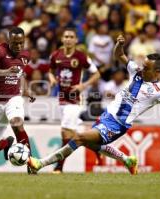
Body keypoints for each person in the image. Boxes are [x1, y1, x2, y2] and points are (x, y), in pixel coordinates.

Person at [28, 35, 160, 175]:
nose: (142, 68)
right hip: (107, 115)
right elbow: (119, 55)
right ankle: (128, 160)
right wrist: (120, 44)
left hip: (118, 124)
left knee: (78, 138)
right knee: (89, 143)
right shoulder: (136, 72)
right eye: (143, 65)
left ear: (157, 71)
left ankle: (40, 164)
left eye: (146, 67)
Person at [0, 27, 36, 174]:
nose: (18, 47)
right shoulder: (0, 50)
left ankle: (31, 163)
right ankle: (7, 143)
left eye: (21, 43)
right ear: (8, 41)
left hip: (13, 98)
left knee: (17, 124)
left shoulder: (25, 55)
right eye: (15, 43)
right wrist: (4, 71)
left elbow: (20, 74)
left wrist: (26, 90)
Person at [48, 28, 100, 173]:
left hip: (75, 100)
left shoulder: (81, 57)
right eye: (66, 36)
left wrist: (83, 85)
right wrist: (52, 78)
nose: (68, 39)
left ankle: (58, 167)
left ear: (76, 40)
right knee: (77, 136)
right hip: (61, 100)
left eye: (71, 37)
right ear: (62, 39)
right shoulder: (56, 55)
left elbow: (96, 74)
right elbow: (50, 70)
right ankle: (100, 149)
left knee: (65, 133)